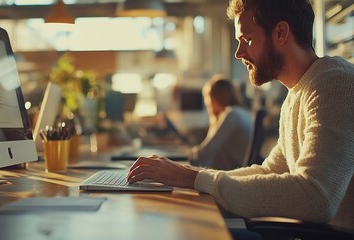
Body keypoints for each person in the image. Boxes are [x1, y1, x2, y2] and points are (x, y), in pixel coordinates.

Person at [127, 0, 354, 230]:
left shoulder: (335, 82)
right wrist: (187, 175)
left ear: (280, 32)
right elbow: (268, 171)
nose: (239, 53)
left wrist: (190, 178)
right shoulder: (296, 95)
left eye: (246, 39)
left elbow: (317, 197)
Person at [190, 75, 252, 170]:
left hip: (233, 175)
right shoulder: (242, 112)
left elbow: (205, 152)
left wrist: (188, 153)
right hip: (237, 171)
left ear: (214, 98)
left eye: (208, 98)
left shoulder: (231, 115)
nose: (207, 104)